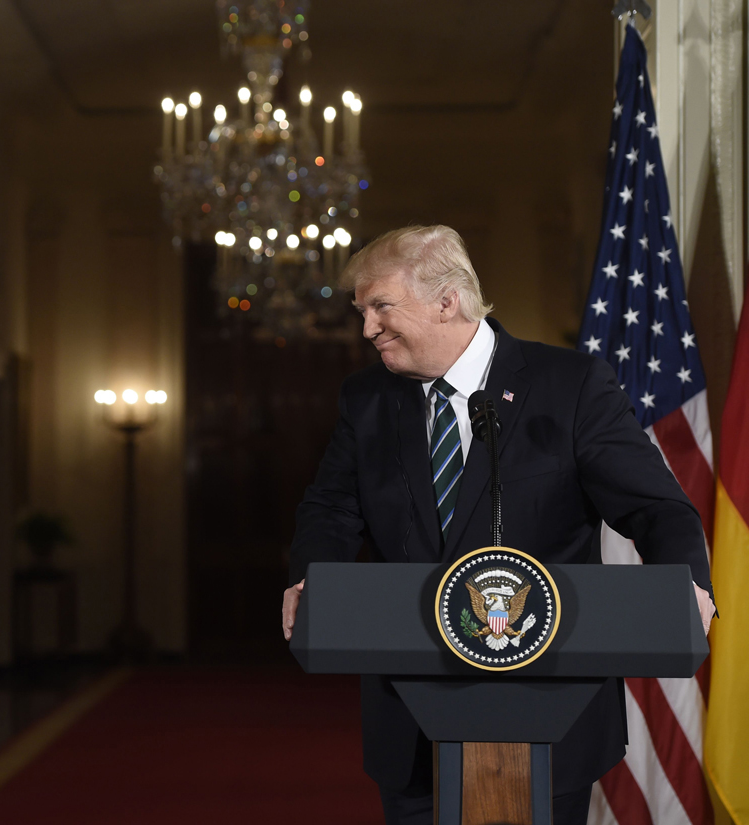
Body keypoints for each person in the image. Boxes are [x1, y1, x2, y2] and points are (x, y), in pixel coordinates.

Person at [279, 225, 716, 825]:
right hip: (409, 720)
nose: (367, 329)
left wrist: (687, 585)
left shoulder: (570, 387)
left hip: (550, 708)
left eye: (381, 307)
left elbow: (657, 508)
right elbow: (330, 507)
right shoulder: (368, 399)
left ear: (446, 300)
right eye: (362, 311)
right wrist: (311, 580)